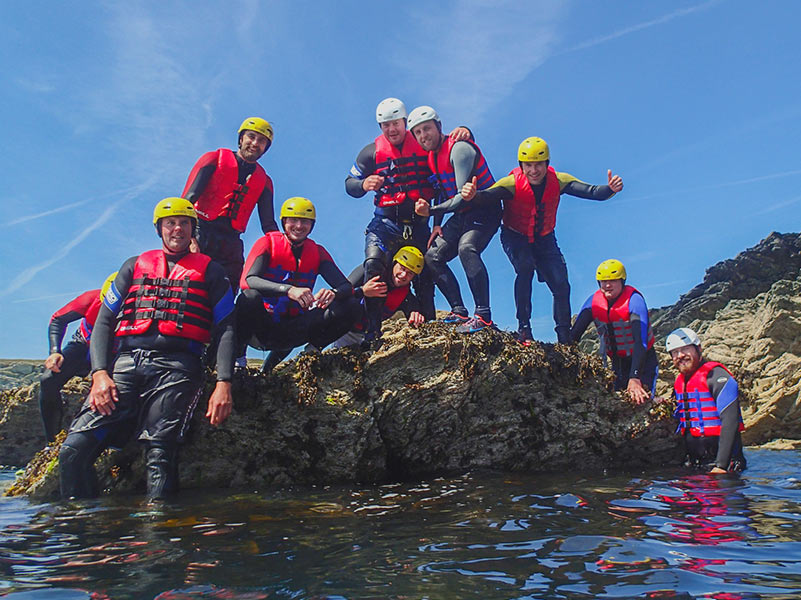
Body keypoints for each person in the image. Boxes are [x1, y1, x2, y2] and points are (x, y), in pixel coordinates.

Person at [59, 198, 236, 500]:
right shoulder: (133, 266)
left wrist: (224, 383)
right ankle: (82, 523)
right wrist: (99, 374)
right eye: (170, 223)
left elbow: (227, 328)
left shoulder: (212, 272)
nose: (177, 229)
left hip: (178, 366)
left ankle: (160, 526)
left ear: (193, 229)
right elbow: (104, 322)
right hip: (126, 364)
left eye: (184, 223)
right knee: (73, 451)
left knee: (159, 453)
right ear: (159, 229)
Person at [463, 137, 623, 343]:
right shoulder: (511, 183)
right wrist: (473, 195)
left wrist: (610, 189)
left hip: (545, 239)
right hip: (515, 236)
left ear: (547, 163)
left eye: (538, 164)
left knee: (561, 284)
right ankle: (524, 329)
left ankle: (564, 337)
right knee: (525, 268)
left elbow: (591, 192)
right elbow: (486, 196)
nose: (533, 170)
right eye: (528, 165)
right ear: (521, 165)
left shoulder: (559, 180)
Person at [345, 98, 469, 346]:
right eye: (386, 125)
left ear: (405, 123)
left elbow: (447, 151)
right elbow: (349, 184)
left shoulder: (423, 145)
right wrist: (363, 184)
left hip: (418, 224)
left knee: (425, 274)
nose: (391, 130)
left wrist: (465, 131)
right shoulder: (370, 153)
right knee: (374, 265)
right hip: (385, 222)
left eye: (396, 124)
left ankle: (428, 322)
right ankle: (373, 331)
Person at [236, 197, 359, 373]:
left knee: (350, 305)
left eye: (305, 221)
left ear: (312, 225)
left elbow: (346, 287)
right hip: (260, 325)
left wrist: (333, 292)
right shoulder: (267, 244)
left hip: (294, 328)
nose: (299, 226)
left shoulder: (317, 252)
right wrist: (289, 290)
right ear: (284, 222)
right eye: (293, 220)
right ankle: (239, 359)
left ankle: (312, 351)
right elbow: (247, 281)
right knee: (248, 298)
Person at [408, 105, 499, 333]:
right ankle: (458, 311)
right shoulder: (431, 157)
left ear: (439, 127)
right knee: (432, 257)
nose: (423, 135)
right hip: (463, 213)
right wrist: (437, 224)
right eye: (418, 132)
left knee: (466, 249)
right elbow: (441, 190)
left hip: (485, 208)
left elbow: (462, 196)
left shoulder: (459, 149)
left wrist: (430, 211)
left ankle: (483, 316)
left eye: (427, 129)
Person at [182, 117, 277, 293]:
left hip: (231, 244)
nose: (255, 143)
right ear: (241, 138)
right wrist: (189, 239)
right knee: (191, 289)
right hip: (201, 232)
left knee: (227, 292)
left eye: (262, 141)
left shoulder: (265, 182)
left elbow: (269, 225)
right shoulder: (213, 159)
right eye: (251, 137)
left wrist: (285, 248)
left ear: (266, 148)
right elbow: (186, 202)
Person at [38, 272, 116, 443]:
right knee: (48, 380)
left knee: (110, 393)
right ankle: (51, 440)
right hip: (83, 344)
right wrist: (55, 351)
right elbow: (58, 319)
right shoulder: (91, 298)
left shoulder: (137, 307)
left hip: (113, 352)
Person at [569, 259, 657, 403]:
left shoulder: (635, 301)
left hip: (643, 360)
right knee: (618, 400)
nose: (608, 285)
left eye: (613, 281)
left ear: (622, 281)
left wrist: (635, 377)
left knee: (642, 400)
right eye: (603, 281)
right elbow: (574, 336)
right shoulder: (592, 303)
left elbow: (640, 342)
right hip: (617, 362)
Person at [666, 327, 747, 473]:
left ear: (699, 349)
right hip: (695, 465)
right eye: (675, 352)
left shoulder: (717, 376)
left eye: (685, 349)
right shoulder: (680, 382)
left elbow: (730, 422)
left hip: (725, 466)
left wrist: (721, 466)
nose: (680, 355)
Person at [334, 246, 426, 348]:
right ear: (394, 263)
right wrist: (362, 291)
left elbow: (413, 307)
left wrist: (414, 312)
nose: (404, 275)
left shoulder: (404, 294)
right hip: (345, 331)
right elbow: (341, 295)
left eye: (410, 273)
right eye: (402, 268)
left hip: (368, 336)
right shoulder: (369, 271)